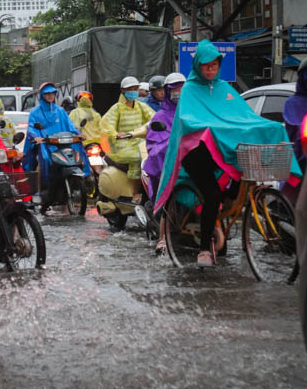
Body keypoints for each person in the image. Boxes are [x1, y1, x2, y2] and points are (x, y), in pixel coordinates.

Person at [154, 39, 301, 267]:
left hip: (223, 154)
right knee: (211, 194)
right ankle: (203, 249)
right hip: (197, 154)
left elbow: (244, 117)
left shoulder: (225, 88)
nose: (211, 68)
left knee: (239, 184)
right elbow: (189, 121)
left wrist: (268, 127)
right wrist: (212, 129)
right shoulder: (190, 90)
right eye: (206, 65)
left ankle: (220, 230)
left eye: (214, 64)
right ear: (198, 66)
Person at [23, 82, 91, 210]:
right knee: (41, 163)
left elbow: (70, 125)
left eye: (52, 93)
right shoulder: (35, 112)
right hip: (44, 144)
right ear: (42, 95)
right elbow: (31, 127)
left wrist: (78, 134)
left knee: (77, 155)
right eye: (47, 94)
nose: (50, 96)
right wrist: (36, 137)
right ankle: (38, 193)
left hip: (61, 144)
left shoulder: (60, 111)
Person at [143, 72, 186, 255]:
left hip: (191, 163)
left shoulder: (194, 111)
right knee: (167, 195)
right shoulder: (159, 116)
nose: (178, 92)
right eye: (174, 90)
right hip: (169, 167)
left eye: (181, 89)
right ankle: (162, 238)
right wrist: (173, 145)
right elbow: (154, 146)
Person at [100, 76, 156, 204]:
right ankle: (136, 192)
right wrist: (116, 134)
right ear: (123, 91)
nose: (133, 91)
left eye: (135, 88)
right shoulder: (117, 108)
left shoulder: (142, 106)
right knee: (138, 158)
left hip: (141, 142)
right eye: (129, 89)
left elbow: (155, 118)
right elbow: (107, 124)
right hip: (122, 145)